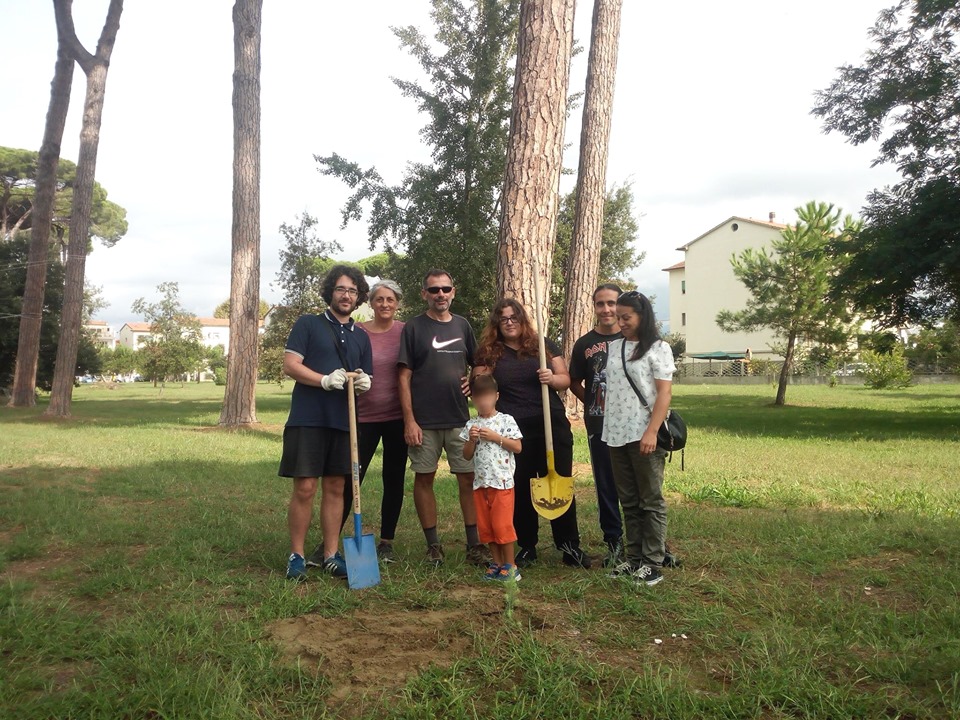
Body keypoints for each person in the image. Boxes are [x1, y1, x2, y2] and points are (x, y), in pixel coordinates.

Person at [473, 299, 591, 569]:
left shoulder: (543, 345)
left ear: (522, 319)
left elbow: (565, 378)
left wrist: (551, 377)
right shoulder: (490, 352)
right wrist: (476, 377)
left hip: (550, 424)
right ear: (497, 323)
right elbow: (479, 382)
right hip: (514, 430)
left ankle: (569, 545)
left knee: (559, 481)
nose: (509, 322)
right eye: (503, 318)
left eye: (514, 317)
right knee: (521, 487)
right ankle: (527, 546)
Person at [280, 265, 373, 582]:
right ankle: (297, 556)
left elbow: (364, 372)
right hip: (309, 418)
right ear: (330, 292)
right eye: (341, 289)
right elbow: (291, 365)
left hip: (344, 421)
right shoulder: (308, 324)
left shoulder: (361, 336)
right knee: (305, 488)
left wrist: (363, 382)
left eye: (352, 291)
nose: (346, 296)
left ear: (359, 296)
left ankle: (332, 555)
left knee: (336, 488)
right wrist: (323, 380)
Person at [308, 279, 407, 566]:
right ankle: (330, 543)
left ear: (397, 303)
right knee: (351, 479)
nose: (385, 304)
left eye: (390, 299)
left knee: (394, 479)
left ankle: (386, 542)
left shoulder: (405, 331)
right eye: (379, 299)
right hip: (361, 417)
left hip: (397, 417)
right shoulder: (357, 330)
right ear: (371, 302)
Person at [398, 269, 490, 567]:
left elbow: (479, 364)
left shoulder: (463, 326)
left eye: (445, 289)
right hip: (423, 421)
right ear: (424, 293)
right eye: (434, 290)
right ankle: (433, 545)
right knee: (424, 478)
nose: (440, 294)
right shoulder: (413, 327)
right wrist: (409, 420)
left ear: (453, 292)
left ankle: (475, 544)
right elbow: (403, 376)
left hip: (459, 419)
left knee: (468, 478)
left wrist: (473, 382)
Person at [603, 291, 675, 587]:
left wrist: (651, 432)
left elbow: (664, 393)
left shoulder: (659, 348)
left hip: (644, 433)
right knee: (629, 500)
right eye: (618, 317)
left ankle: (653, 563)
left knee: (651, 500)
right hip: (616, 434)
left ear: (642, 316)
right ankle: (633, 560)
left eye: (626, 317)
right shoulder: (614, 347)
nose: (620, 322)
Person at [569, 283, 625, 567]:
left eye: (612, 303)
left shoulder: (632, 339)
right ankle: (614, 542)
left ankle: (648, 542)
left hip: (631, 424)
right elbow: (574, 381)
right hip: (599, 424)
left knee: (637, 484)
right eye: (600, 304)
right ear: (594, 306)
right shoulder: (585, 344)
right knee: (606, 484)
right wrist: (592, 402)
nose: (606, 309)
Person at [460, 374, 524, 582]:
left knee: (502, 525)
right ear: (473, 400)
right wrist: (472, 440)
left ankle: (511, 565)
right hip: (481, 484)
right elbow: (466, 455)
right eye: (479, 398)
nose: (483, 402)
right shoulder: (472, 424)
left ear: (496, 396)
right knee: (486, 528)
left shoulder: (506, 420)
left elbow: (517, 447)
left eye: (487, 397)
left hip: (502, 482)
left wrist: (496, 438)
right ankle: (496, 563)